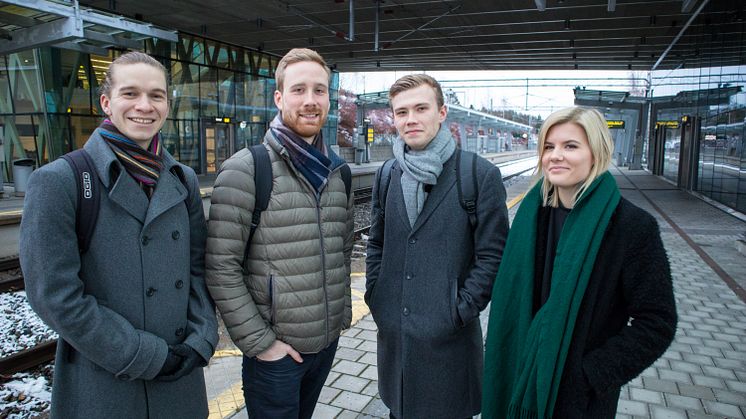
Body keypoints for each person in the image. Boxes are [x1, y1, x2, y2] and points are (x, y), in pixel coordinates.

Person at [20, 51, 218, 418]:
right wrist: (146, 355)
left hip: (180, 378)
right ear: (107, 103)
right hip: (106, 381)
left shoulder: (182, 179)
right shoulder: (59, 181)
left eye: (156, 95)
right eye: (130, 94)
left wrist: (203, 337)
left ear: (167, 105)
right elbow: (55, 295)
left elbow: (197, 268)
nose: (144, 106)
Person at [482, 106, 677, 419]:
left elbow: (658, 322)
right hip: (517, 374)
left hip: (579, 401)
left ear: (595, 153)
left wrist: (590, 374)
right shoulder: (530, 218)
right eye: (549, 146)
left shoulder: (631, 227)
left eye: (570, 146)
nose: (555, 155)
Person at [205, 48, 353, 419]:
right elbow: (221, 267)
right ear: (279, 97)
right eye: (298, 89)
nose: (310, 100)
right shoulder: (247, 168)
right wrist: (261, 343)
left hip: (325, 342)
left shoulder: (338, 172)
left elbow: (342, 248)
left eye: (319, 91)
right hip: (275, 353)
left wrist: (341, 317)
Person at [365, 74, 509, 419]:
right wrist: (376, 293)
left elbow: (493, 255)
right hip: (396, 337)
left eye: (420, 108)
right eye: (401, 112)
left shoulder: (478, 175)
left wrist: (459, 309)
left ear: (442, 112)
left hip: (450, 342)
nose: (410, 119)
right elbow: (377, 243)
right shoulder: (388, 174)